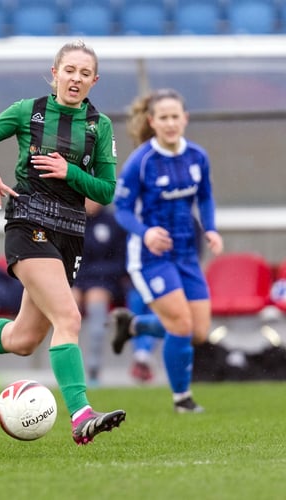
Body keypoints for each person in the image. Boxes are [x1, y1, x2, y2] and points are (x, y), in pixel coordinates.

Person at [0, 40, 126, 445]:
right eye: (70, 70)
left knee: (24, 339)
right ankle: (81, 415)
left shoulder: (100, 126)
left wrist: (69, 173)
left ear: (94, 80)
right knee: (70, 319)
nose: (76, 78)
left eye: (85, 73)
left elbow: (107, 191)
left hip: (70, 235)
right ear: (55, 73)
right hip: (28, 226)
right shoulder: (27, 111)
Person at [111, 88, 224, 413]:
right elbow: (122, 209)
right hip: (151, 258)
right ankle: (182, 399)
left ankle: (134, 326)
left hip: (188, 254)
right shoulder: (142, 161)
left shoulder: (197, 156)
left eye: (176, 116)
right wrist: (145, 233)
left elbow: (204, 197)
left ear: (185, 119)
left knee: (199, 332)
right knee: (180, 325)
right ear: (152, 121)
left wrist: (211, 228)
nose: (171, 123)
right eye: (164, 117)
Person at [71, 199, 128, 386]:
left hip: (104, 280)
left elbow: (121, 263)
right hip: (77, 279)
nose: (90, 201)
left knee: (96, 299)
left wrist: (94, 272)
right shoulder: (71, 221)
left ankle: (94, 368)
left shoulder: (113, 223)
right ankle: (68, 366)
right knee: (67, 305)